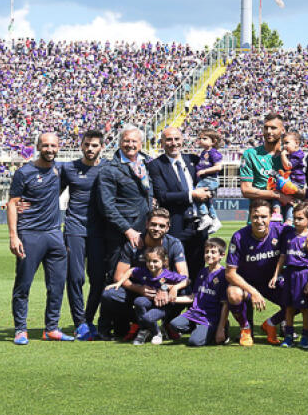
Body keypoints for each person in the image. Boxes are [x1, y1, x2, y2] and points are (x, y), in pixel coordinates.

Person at [6, 132, 72, 344]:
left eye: (53, 146)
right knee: (23, 285)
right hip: (30, 235)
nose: (50, 149)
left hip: (54, 235)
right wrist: (14, 236)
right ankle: (20, 330)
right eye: (45, 145)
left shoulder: (60, 169)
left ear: (58, 147)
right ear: (38, 146)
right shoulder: (24, 172)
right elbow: (12, 204)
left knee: (57, 285)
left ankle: (51, 328)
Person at [101, 208, 189, 341]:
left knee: (186, 291)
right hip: (138, 290)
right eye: (153, 224)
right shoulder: (133, 244)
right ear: (147, 224)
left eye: (161, 226)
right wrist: (140, 289)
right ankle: (142, 322)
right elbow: (118, 277)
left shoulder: (174, 244)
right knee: (110, 295)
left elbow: (184, 276)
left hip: (162, 290)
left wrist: (165, 289)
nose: (157, 228)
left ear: (167, 228)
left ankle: (167, 323)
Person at [59, 129, 106, 341]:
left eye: (94, 145)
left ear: (101, 147)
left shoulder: (108, 168)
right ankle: (79, 323)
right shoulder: (69, 169)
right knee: (75, 277)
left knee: (98, 279)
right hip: (74, 228)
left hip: (100, 231)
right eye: (86, 144)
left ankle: (88, 319)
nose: (90, 149)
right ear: (81, 146)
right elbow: (52, 194)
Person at [147, 127, 209, 279]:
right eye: (168, 139)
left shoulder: (194, 160)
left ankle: (195, 302)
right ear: (162, 143)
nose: (173, 143)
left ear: (182, 140)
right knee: (174, 269)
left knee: (198, 269)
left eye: (176, 139)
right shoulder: (155, 165)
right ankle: (175, 301)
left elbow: (209, 182)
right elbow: (163, 195)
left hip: (198, 225)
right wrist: (192, 195)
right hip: (176, 225)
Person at [225, 199, 287, 345]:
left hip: (271, 283)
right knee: (233, 293)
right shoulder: (239, 237)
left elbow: (303, 231)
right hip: (247, 284)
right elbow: (230, 273)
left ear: (271, 216)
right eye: (255, 217)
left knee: (303, 294)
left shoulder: (282, 231)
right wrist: (253, 292)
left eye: (264, 217)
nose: (259, 221)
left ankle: (271, 323)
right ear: (250, 216)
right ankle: (245, 328)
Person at [98, 126, 154, 283]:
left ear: (141, 144)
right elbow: (107, 206)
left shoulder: (148, 164)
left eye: (134, 141)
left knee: (141, 277)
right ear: (119, 143)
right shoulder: (109, 169)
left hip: (144, 231)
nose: (130, 144)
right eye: (126, 141)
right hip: (120, 235)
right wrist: (127, 230)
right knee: (115, 279)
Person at [106, 245, 188, 345]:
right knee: (139, 301)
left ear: (163, 262)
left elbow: (186, 280)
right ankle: (154, 332)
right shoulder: (144, 271)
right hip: (149, 301)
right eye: (148, 261)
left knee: (147, 318)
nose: (151, 264)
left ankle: (153, 331)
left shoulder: (168, 275)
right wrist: (119, 283)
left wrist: (174, 288)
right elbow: (130, 271)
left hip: (162, 306)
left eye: (155, 261)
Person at [268, 203, 308, 348]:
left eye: (300, 218)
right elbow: (282, 257)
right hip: (289, 274)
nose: (296, 221)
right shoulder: (289, 236)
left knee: (305, 309)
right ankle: (289, 336)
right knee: (289, 308)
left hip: (303, 275)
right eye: (294, 218)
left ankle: (306, 336)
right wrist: (275, 275)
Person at [168, 237, 231, 347]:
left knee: (194, 342)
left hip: (210, 317)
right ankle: (200, 330)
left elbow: (225, 304)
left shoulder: (223, 275)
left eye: (213, 252)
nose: (209, 255)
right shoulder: (202, 272)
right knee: (174, 325)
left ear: (222, 255)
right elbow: (193, 296)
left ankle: (220, 328)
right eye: (206, 252)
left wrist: (220, 328)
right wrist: (172, 298)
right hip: (195, 313)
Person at [192, 128, 224, 232]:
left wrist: (204, 172)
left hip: (210, 179)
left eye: (205, 138)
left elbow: (218, 167)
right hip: (205, 179)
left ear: (213, 141)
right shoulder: (203, 152)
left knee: (197, 194)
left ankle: (204, 216)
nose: (201, 140)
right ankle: (215, 220)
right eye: (200, 138)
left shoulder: (214, 153)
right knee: (207, 201)